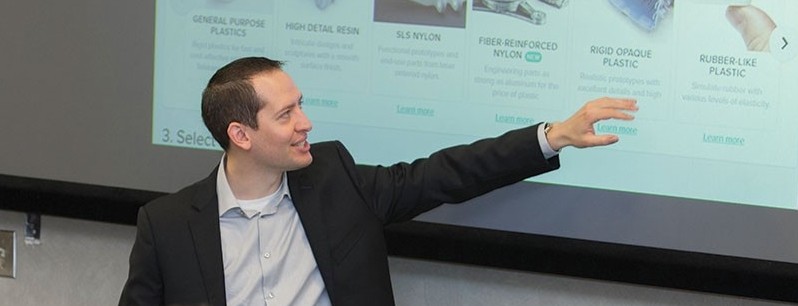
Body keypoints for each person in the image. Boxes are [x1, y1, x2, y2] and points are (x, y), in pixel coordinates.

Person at [119, 56, 637, 306]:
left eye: (301, 105)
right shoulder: (165, 227)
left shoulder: (336, 181)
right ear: (241, 133)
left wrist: (553, 135)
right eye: (286, 115)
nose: (306, 123)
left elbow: (446, 174)